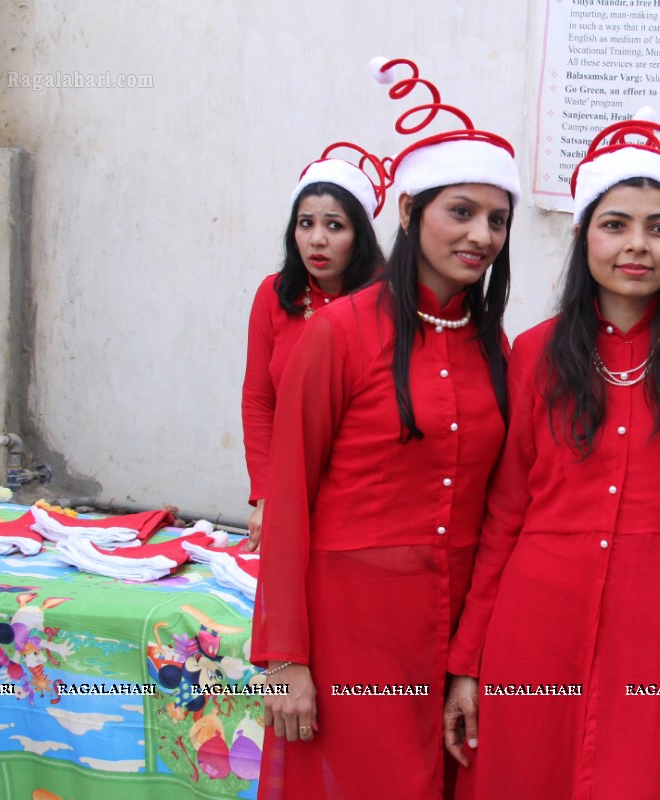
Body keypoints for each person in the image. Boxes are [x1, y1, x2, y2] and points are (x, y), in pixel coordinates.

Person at [444, 112, 660, 799]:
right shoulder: (534, 352)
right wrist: (468, 664)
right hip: (535, 624)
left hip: (658, 631)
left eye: (659, 227)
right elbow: (503, 518)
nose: (637, 246)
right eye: (615, 224)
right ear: (584, 235)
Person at [250, 58, 522, 799]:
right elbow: (289, 495)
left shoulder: (494, 344)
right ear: (408, 212)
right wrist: (284, 658)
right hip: (352, 625)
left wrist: (474, 647)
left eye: (497, 219)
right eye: (460, 211)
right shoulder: (338, 333)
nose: (481, 234)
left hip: (458, 620)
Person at [241, 147, 386, 550]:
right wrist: (267, 497)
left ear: (360, 234)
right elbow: (259, 400)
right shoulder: (274, 295)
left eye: (335, 226)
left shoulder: (387, 302)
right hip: (291, 482)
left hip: (364, 492)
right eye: (306, 224)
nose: (317, 239)